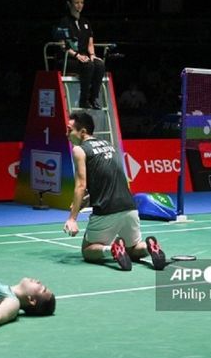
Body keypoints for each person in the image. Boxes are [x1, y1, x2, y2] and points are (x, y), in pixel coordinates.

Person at [63, 112, 166, 271]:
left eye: (70, 130)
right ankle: (148, 247)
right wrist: (87, 200)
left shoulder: (79, 150)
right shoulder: (108, 144)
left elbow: (80, 185)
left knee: (87, 250)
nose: (67, 134)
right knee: (133, 248)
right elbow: (107, 180)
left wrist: (72, 219)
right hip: (129, 207)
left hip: (106, 210)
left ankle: (111, 249)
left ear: (83, 132)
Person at [58, 0, 105, 109]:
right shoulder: (64, 22)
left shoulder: (86, 22)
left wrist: (93, 55)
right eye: (76, 3)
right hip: (68, 59)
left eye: (82, 3)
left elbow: (90, 43)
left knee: (99, 64)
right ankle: (83, 100)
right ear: (69, 4)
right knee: (88, 65)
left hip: (84, 57)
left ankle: (93, 98)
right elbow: (62, 45)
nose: (79, 5)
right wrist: (77, 55)